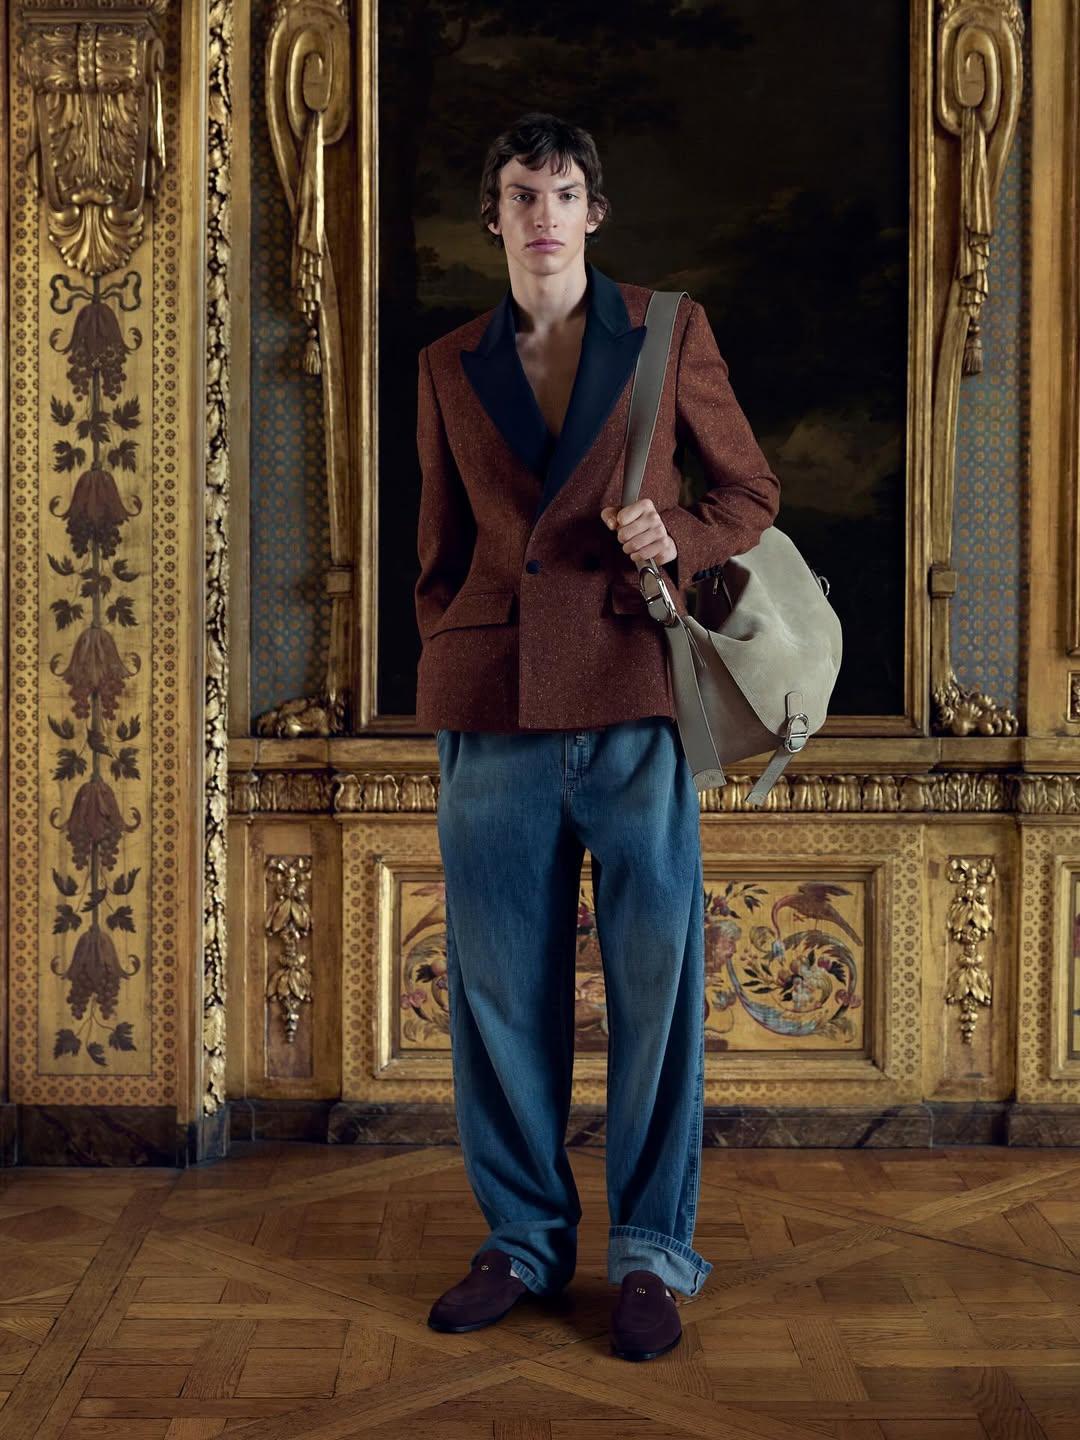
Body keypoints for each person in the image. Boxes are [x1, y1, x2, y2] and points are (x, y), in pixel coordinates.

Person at [415, 112, 780, 1361]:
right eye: (523, 192)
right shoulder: (448, 363)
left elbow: (750, 492)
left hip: (631, 695)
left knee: (657, 991)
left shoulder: (666, 332)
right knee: (497, 999)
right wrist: (458, 649)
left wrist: (681, 535)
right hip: (493, 711)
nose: (544, 213)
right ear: (496, 215)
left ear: (594, 213)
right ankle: (521, 1242)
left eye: (565, 191)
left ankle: (651, 1256)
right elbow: (438, 554)